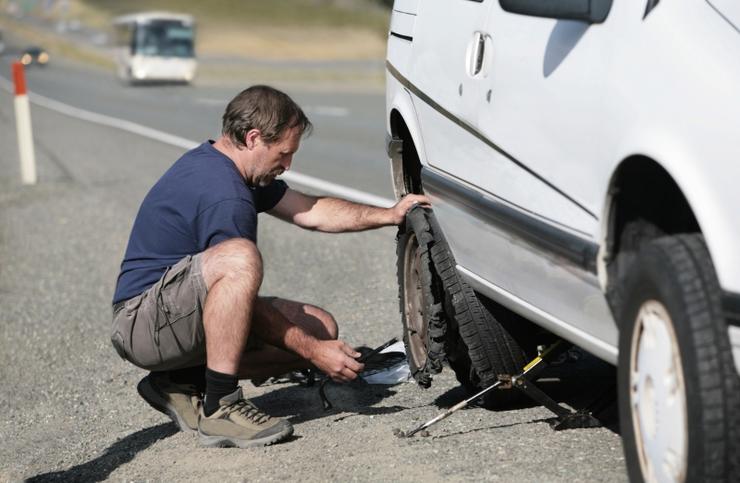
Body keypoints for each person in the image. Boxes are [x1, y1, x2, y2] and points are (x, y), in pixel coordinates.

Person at [110, 85, 429, 449]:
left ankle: (178, 380)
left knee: (320, 327)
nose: (288, 165)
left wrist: (388, 215)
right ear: (253, 138)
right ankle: (221, 406)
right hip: (141, 324)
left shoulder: (231, 168)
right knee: (241, 259)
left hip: (172, 315)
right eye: (284, 153)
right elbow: (238, 289)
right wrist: (311, 351)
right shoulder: (223, 192)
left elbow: (311, 211)